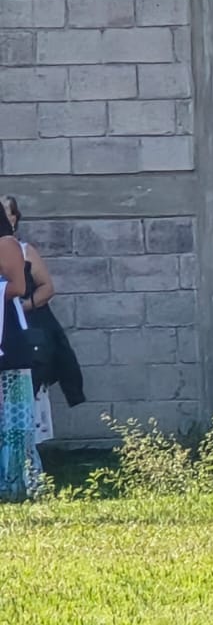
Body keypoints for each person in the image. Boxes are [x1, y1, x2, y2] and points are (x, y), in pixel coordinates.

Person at [2, 196, 84, 411]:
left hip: (23, 326)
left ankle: (24, 440)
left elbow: (46, 287)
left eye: (5, 211)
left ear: (13, 218)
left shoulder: (23, 250)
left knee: (24, 390)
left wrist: (24, 305)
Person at [0, 210, 38, 502]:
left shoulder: (6, 244)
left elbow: (19, 286)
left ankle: (13, 484)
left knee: (10, 421)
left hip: (7, 338)